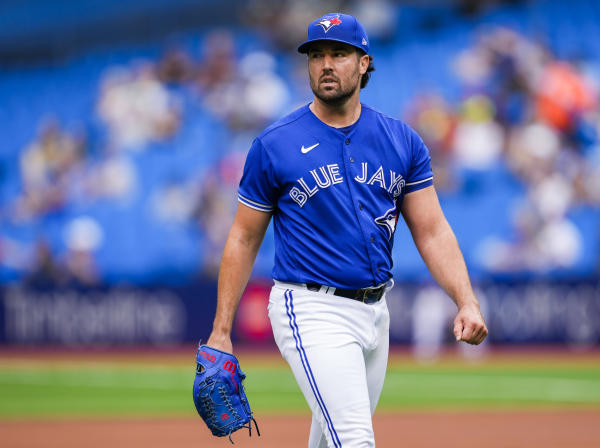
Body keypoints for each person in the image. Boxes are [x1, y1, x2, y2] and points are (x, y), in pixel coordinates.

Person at [206, 13, 488, 448]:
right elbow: (243, 237)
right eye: (316, 55)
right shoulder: (275, 144)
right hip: (311, 307)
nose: (326, 64)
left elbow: (431, 230)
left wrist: (465, 300)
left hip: (376, 311)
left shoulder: (401, 140)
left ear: (363, 63)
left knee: (330, 439)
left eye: (339, 53)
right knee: (355, 439)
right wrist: (221, 330)